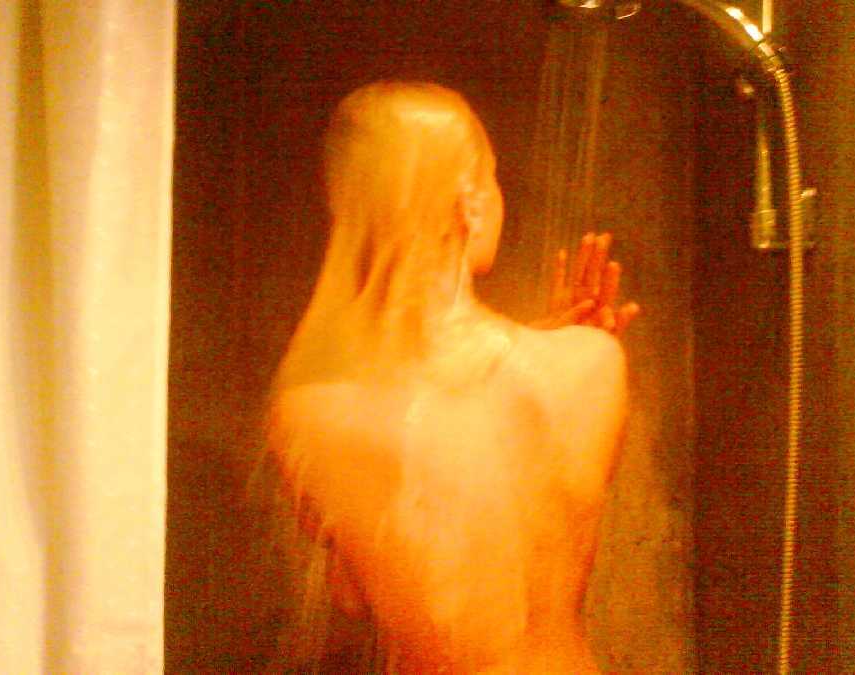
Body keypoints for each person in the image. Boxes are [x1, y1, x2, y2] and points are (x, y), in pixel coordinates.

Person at [266, 81, 638, 673]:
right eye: (493, 177)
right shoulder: (592, 365)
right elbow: (534, 530)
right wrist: (560, 343)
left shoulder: (311, 411)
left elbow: (355, 596)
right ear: (470, 203)